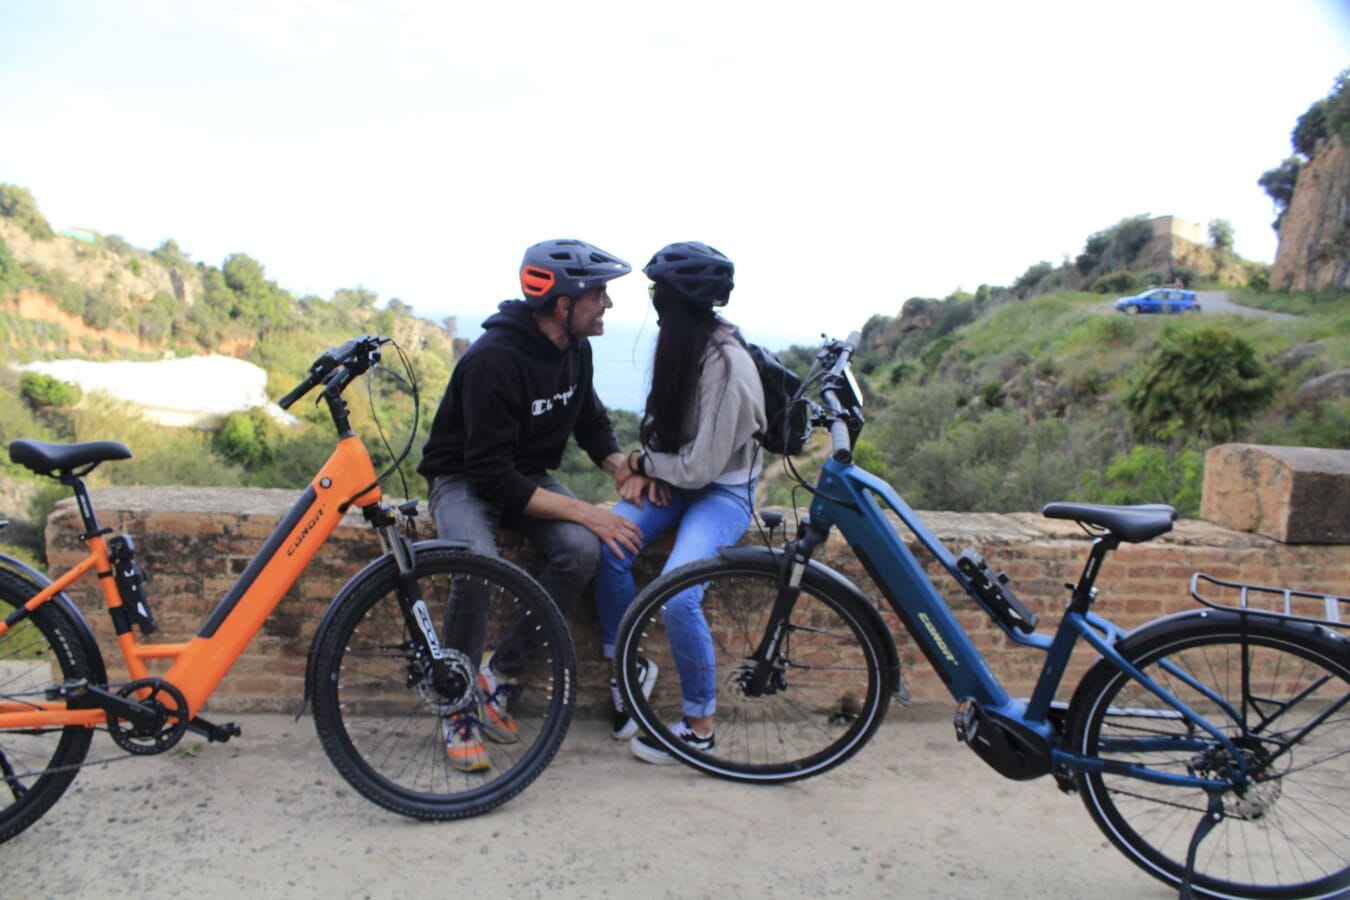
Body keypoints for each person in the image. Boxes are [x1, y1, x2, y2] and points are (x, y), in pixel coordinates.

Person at [418, 238, 656, 771]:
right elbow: (490, 475)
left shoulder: (575, 350)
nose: (608, 307)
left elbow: (590, 421)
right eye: (599, 295)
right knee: (475, 564)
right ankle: (455, 702)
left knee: (582, 553)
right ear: (563, 303)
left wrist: (622, 470)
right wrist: (590, 512)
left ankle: (498, 674)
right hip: (465, 477)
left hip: (524, 474)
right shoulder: (494, 360)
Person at [594, 241, 767, 763]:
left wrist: (646, 468)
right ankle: (629, 671)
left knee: (677, 594)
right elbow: (659, 425)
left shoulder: (728, 365)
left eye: (658, 292)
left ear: (678, 300)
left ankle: (700, 725)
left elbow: (702, 469)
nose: (652, 300)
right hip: (681, 474)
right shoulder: (679, 343)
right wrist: (653, 464)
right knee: (610, 542)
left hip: (724, 489)